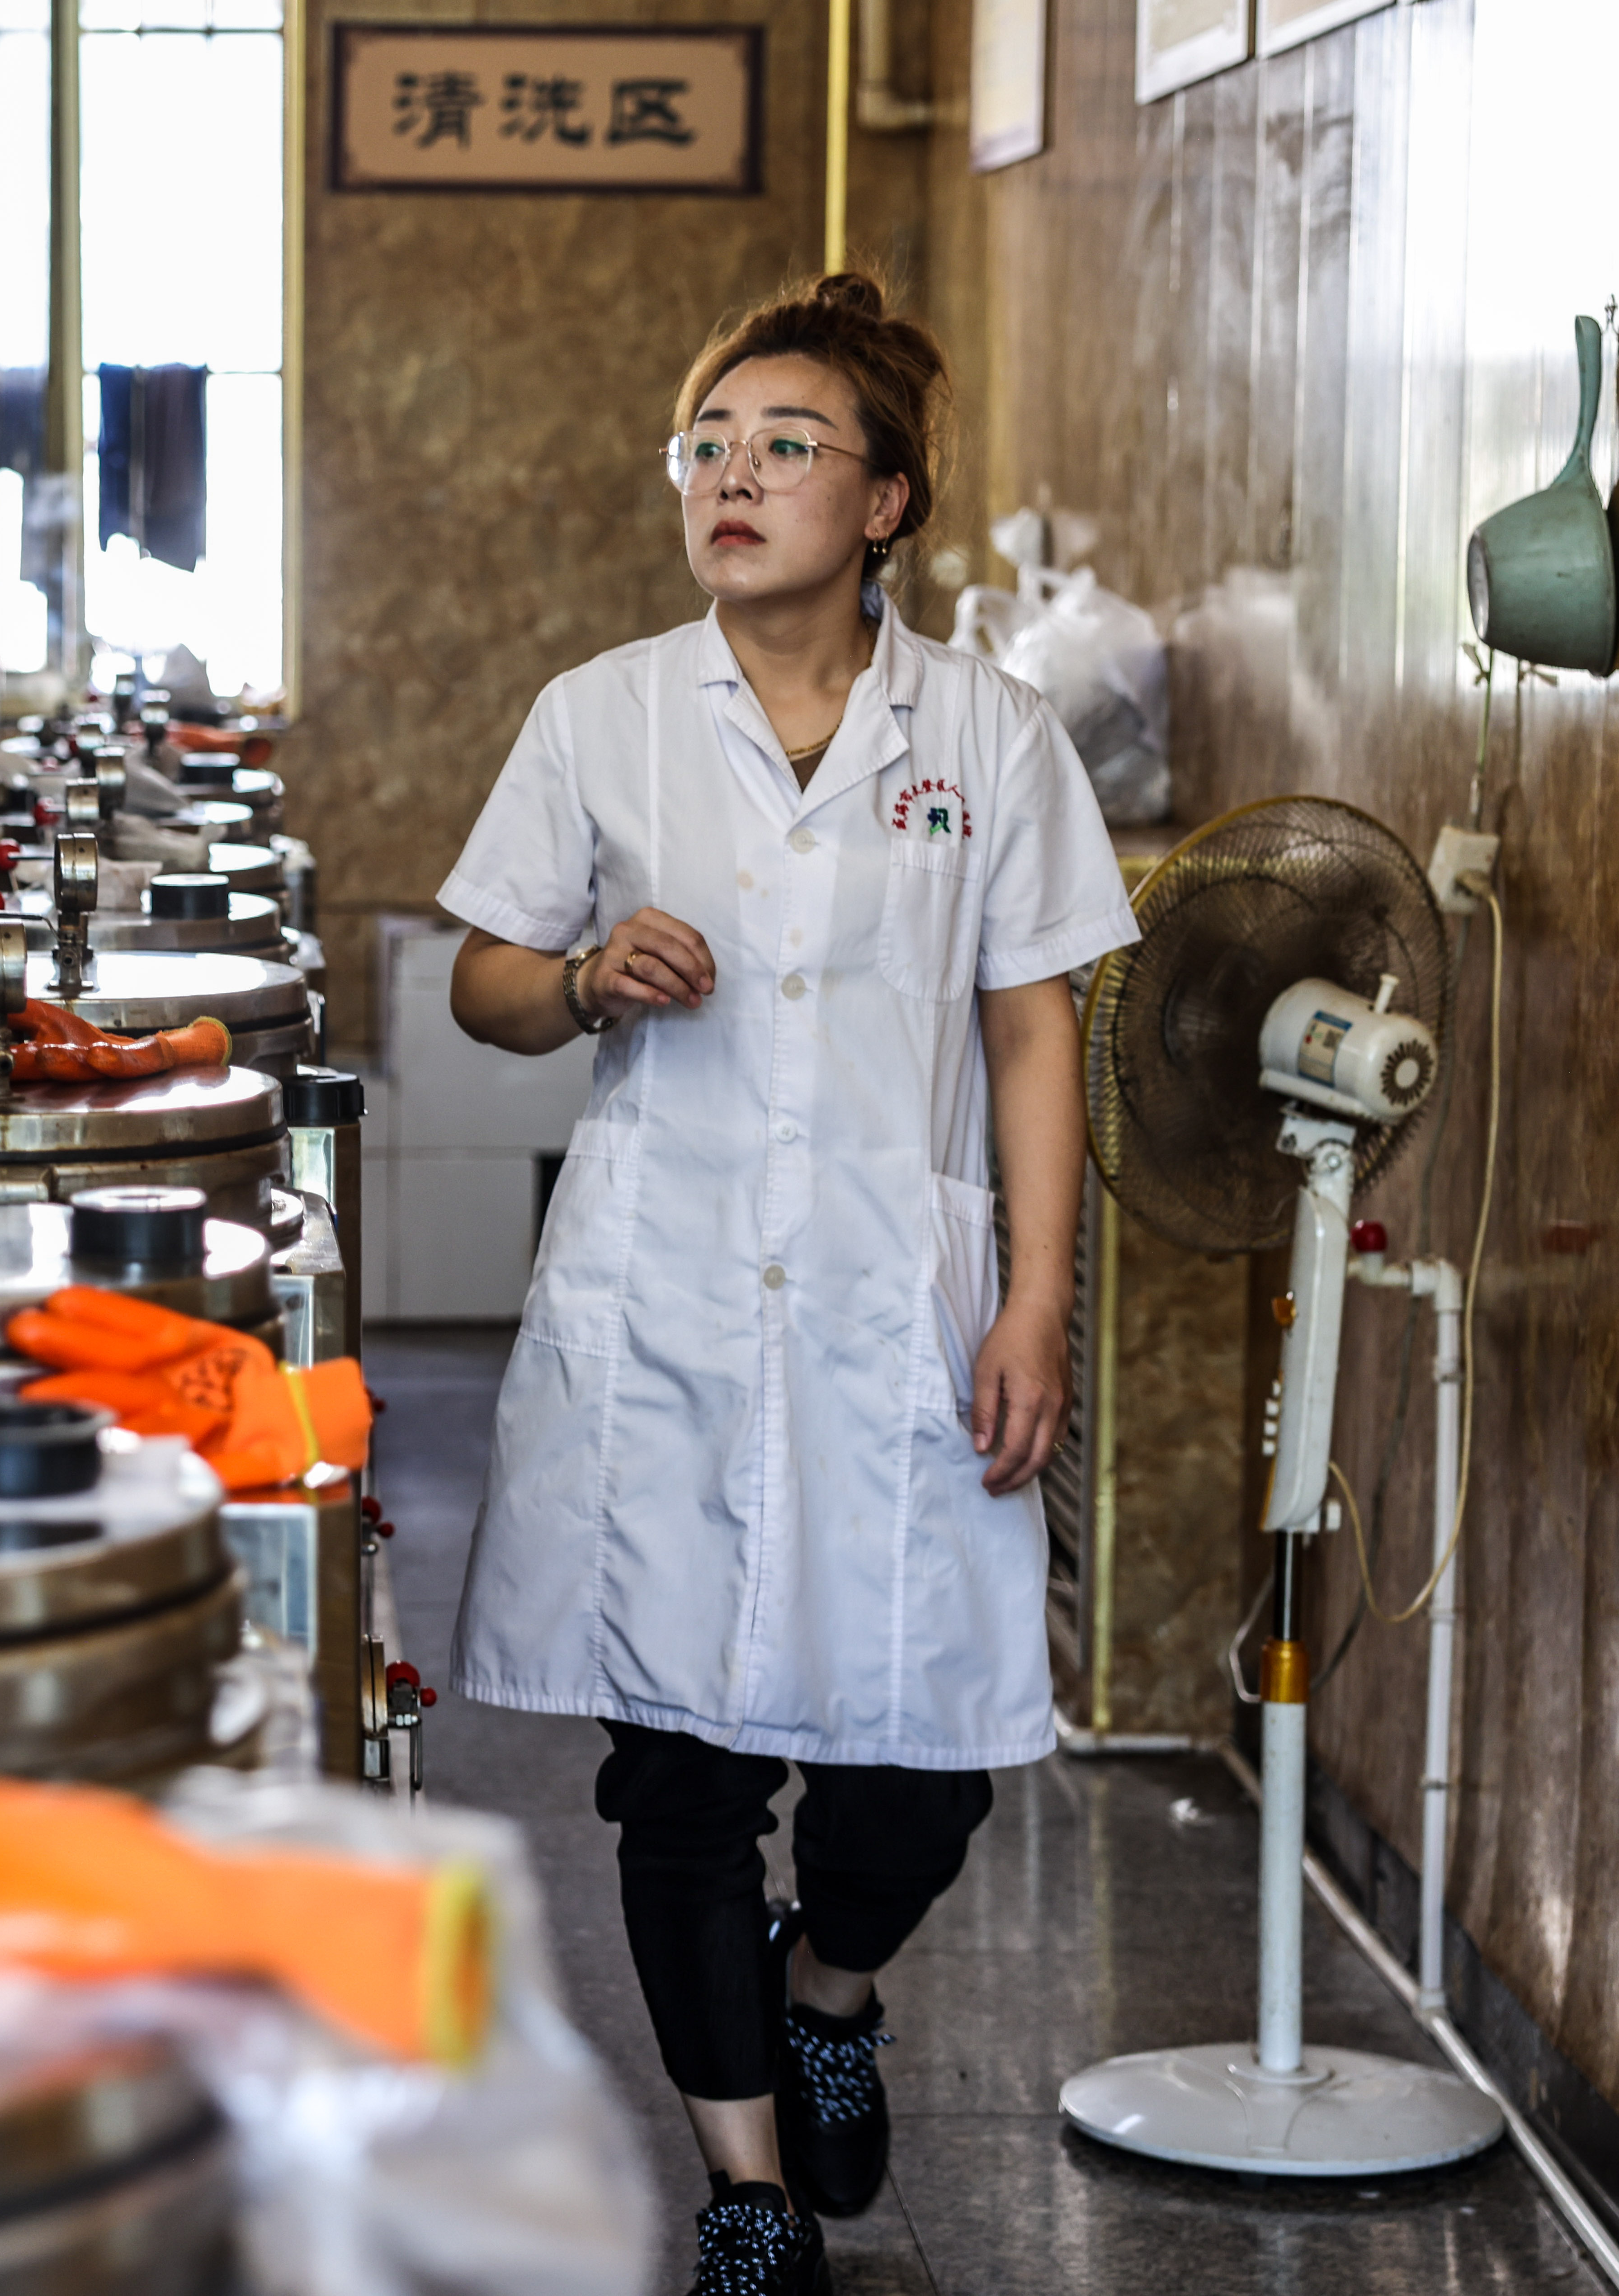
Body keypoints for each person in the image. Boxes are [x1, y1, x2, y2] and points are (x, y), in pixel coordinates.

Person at [435, 272, 1136, 2296]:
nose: (730, 479)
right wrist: (581, 977)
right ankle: (744, 2196)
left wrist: (1035, 1300)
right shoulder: (602, 713)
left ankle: (828, 1990)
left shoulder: (986, 736)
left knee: (917, 1780)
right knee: (674, 1777)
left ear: (887, 502)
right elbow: (483, 979)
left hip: (891, 1314)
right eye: (707, 447)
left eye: (786, 447)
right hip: (661, 1308)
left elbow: (1031, 1025)